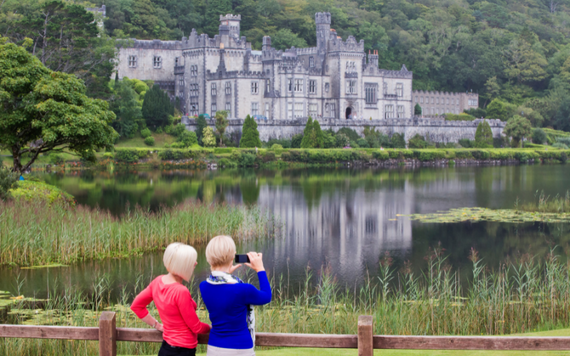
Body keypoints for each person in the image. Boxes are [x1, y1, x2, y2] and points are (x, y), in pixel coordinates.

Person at [131, 243, 210, 356]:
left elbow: (136, 306)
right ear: (182, 265)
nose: (196, 263)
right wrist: (212, 328)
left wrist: (157, 325)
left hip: (166, 348)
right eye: (191, 261)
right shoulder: (180, 291)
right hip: (183, 351)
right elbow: (196, 327)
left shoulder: (158, 282)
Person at [200, 235, 271, 356]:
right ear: (233, 256)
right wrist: (260, 268)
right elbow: (266, 296)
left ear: (208, 258)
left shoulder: (204, 286)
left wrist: (225, 274)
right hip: (240, 348)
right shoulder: (243, 290)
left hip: (214, 347)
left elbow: (221, 289)